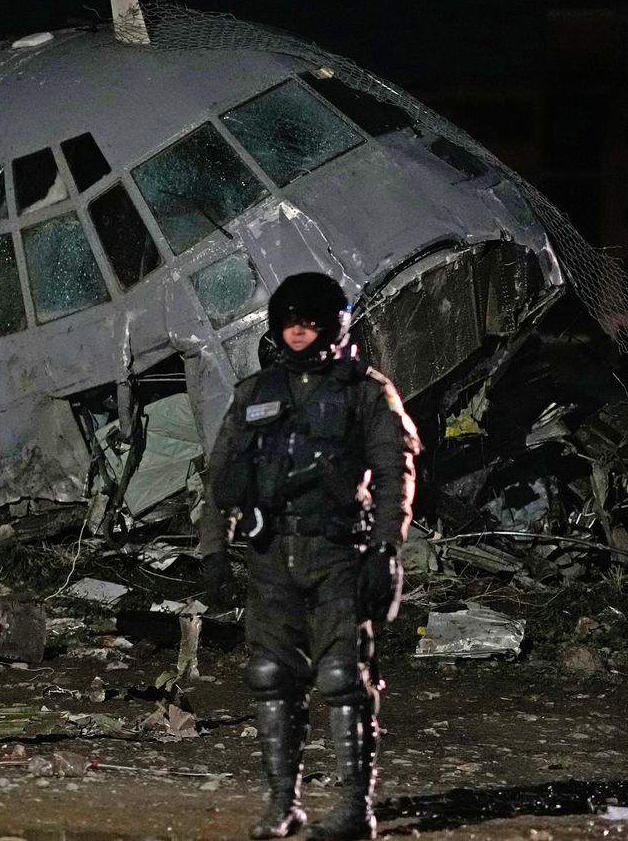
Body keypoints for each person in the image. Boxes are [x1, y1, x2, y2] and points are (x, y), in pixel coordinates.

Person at [207, 272, 419, 840]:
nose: (299, 333)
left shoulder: (366, 391)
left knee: (343, 677)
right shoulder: (255, 393)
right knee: (271, 673)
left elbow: (397, 473)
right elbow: (220, 473)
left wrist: (386, 550)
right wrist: (213, 549)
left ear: (332, 326)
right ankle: (284, 803)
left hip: (339, 551)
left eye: (310, 322)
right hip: (272, 552)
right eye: (290, 323)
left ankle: (354, 808)